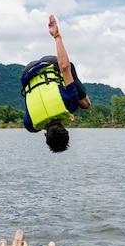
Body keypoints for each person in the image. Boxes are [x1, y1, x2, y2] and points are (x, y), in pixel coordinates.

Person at [21, 15, 91, 152]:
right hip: (27, 72)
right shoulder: (31, 125)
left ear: (67, 131)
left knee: (85, 104)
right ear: (45, 135)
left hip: (50, 64)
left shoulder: (71, 104)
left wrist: (57, 36)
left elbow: (65, 67)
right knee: (82, 103)